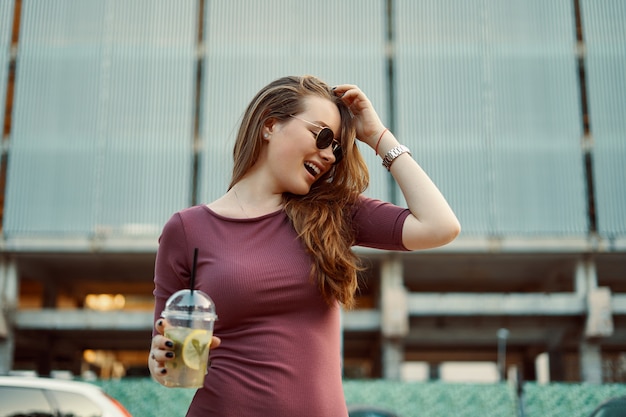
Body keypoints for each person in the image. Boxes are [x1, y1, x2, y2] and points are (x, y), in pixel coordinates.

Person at [148, 75, 460, 416]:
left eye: (337, 148)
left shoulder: (332, 213)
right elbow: (165, 359)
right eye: (322, 135)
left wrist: (379, 137)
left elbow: (440, 227)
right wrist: (160, 359)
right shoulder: (187, 230)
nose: (328, 155)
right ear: (270, 124)